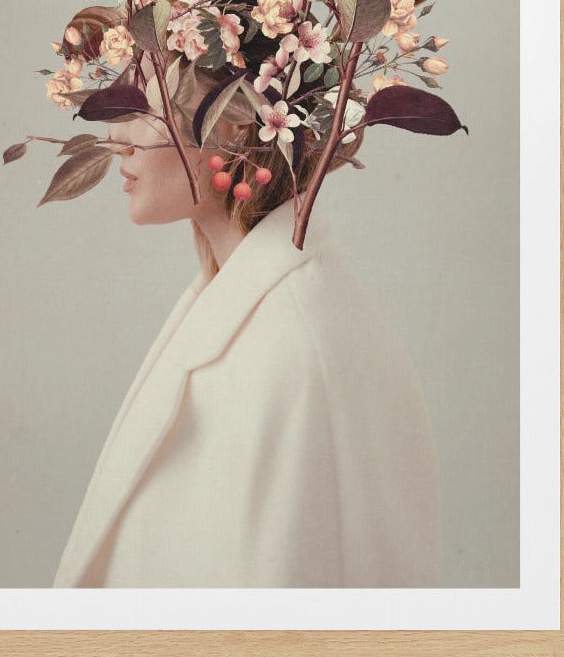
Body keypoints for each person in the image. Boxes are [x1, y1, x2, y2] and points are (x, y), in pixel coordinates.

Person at [52, 66, 443, 588]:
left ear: (238, 126)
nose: (115, 137)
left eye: (146, 111)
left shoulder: (289, 349)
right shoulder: (235, 302)